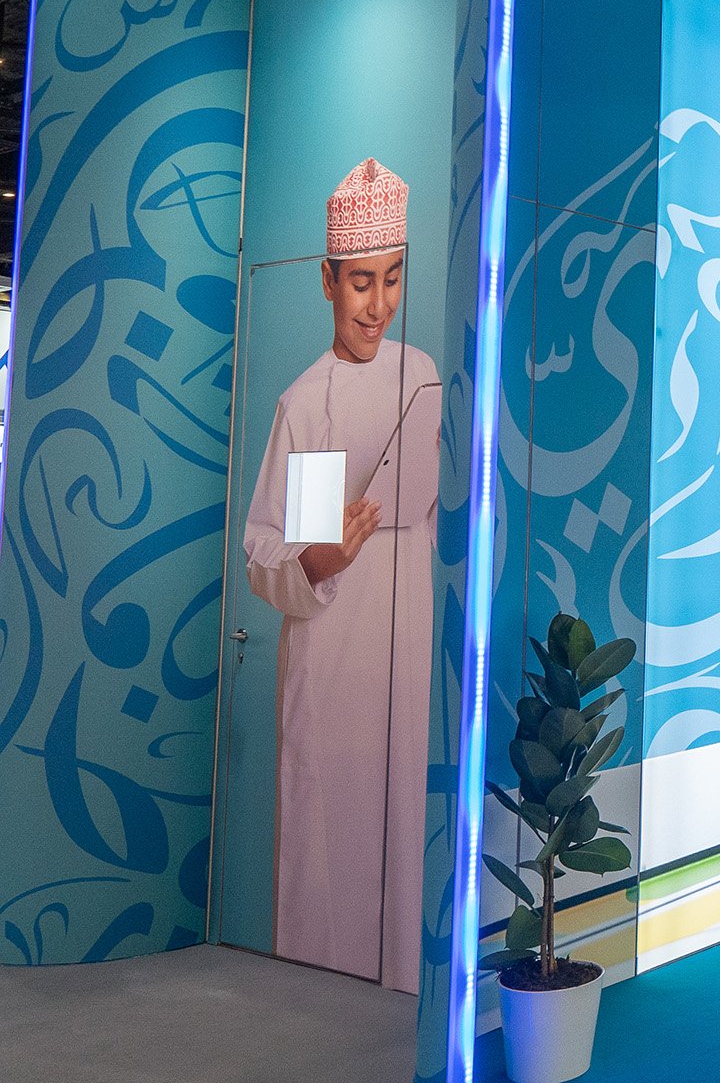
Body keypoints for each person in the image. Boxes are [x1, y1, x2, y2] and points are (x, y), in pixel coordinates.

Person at [243, 158, 437, 992]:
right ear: (328, 282)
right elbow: (265, 551)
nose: (378, 304)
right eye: (361, 283)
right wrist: (315, 560)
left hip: (404, 670)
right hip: (328, 671)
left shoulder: (424, 379)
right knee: (328, 862)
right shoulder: (305, 402)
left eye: (392, 280)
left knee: (399, 854)